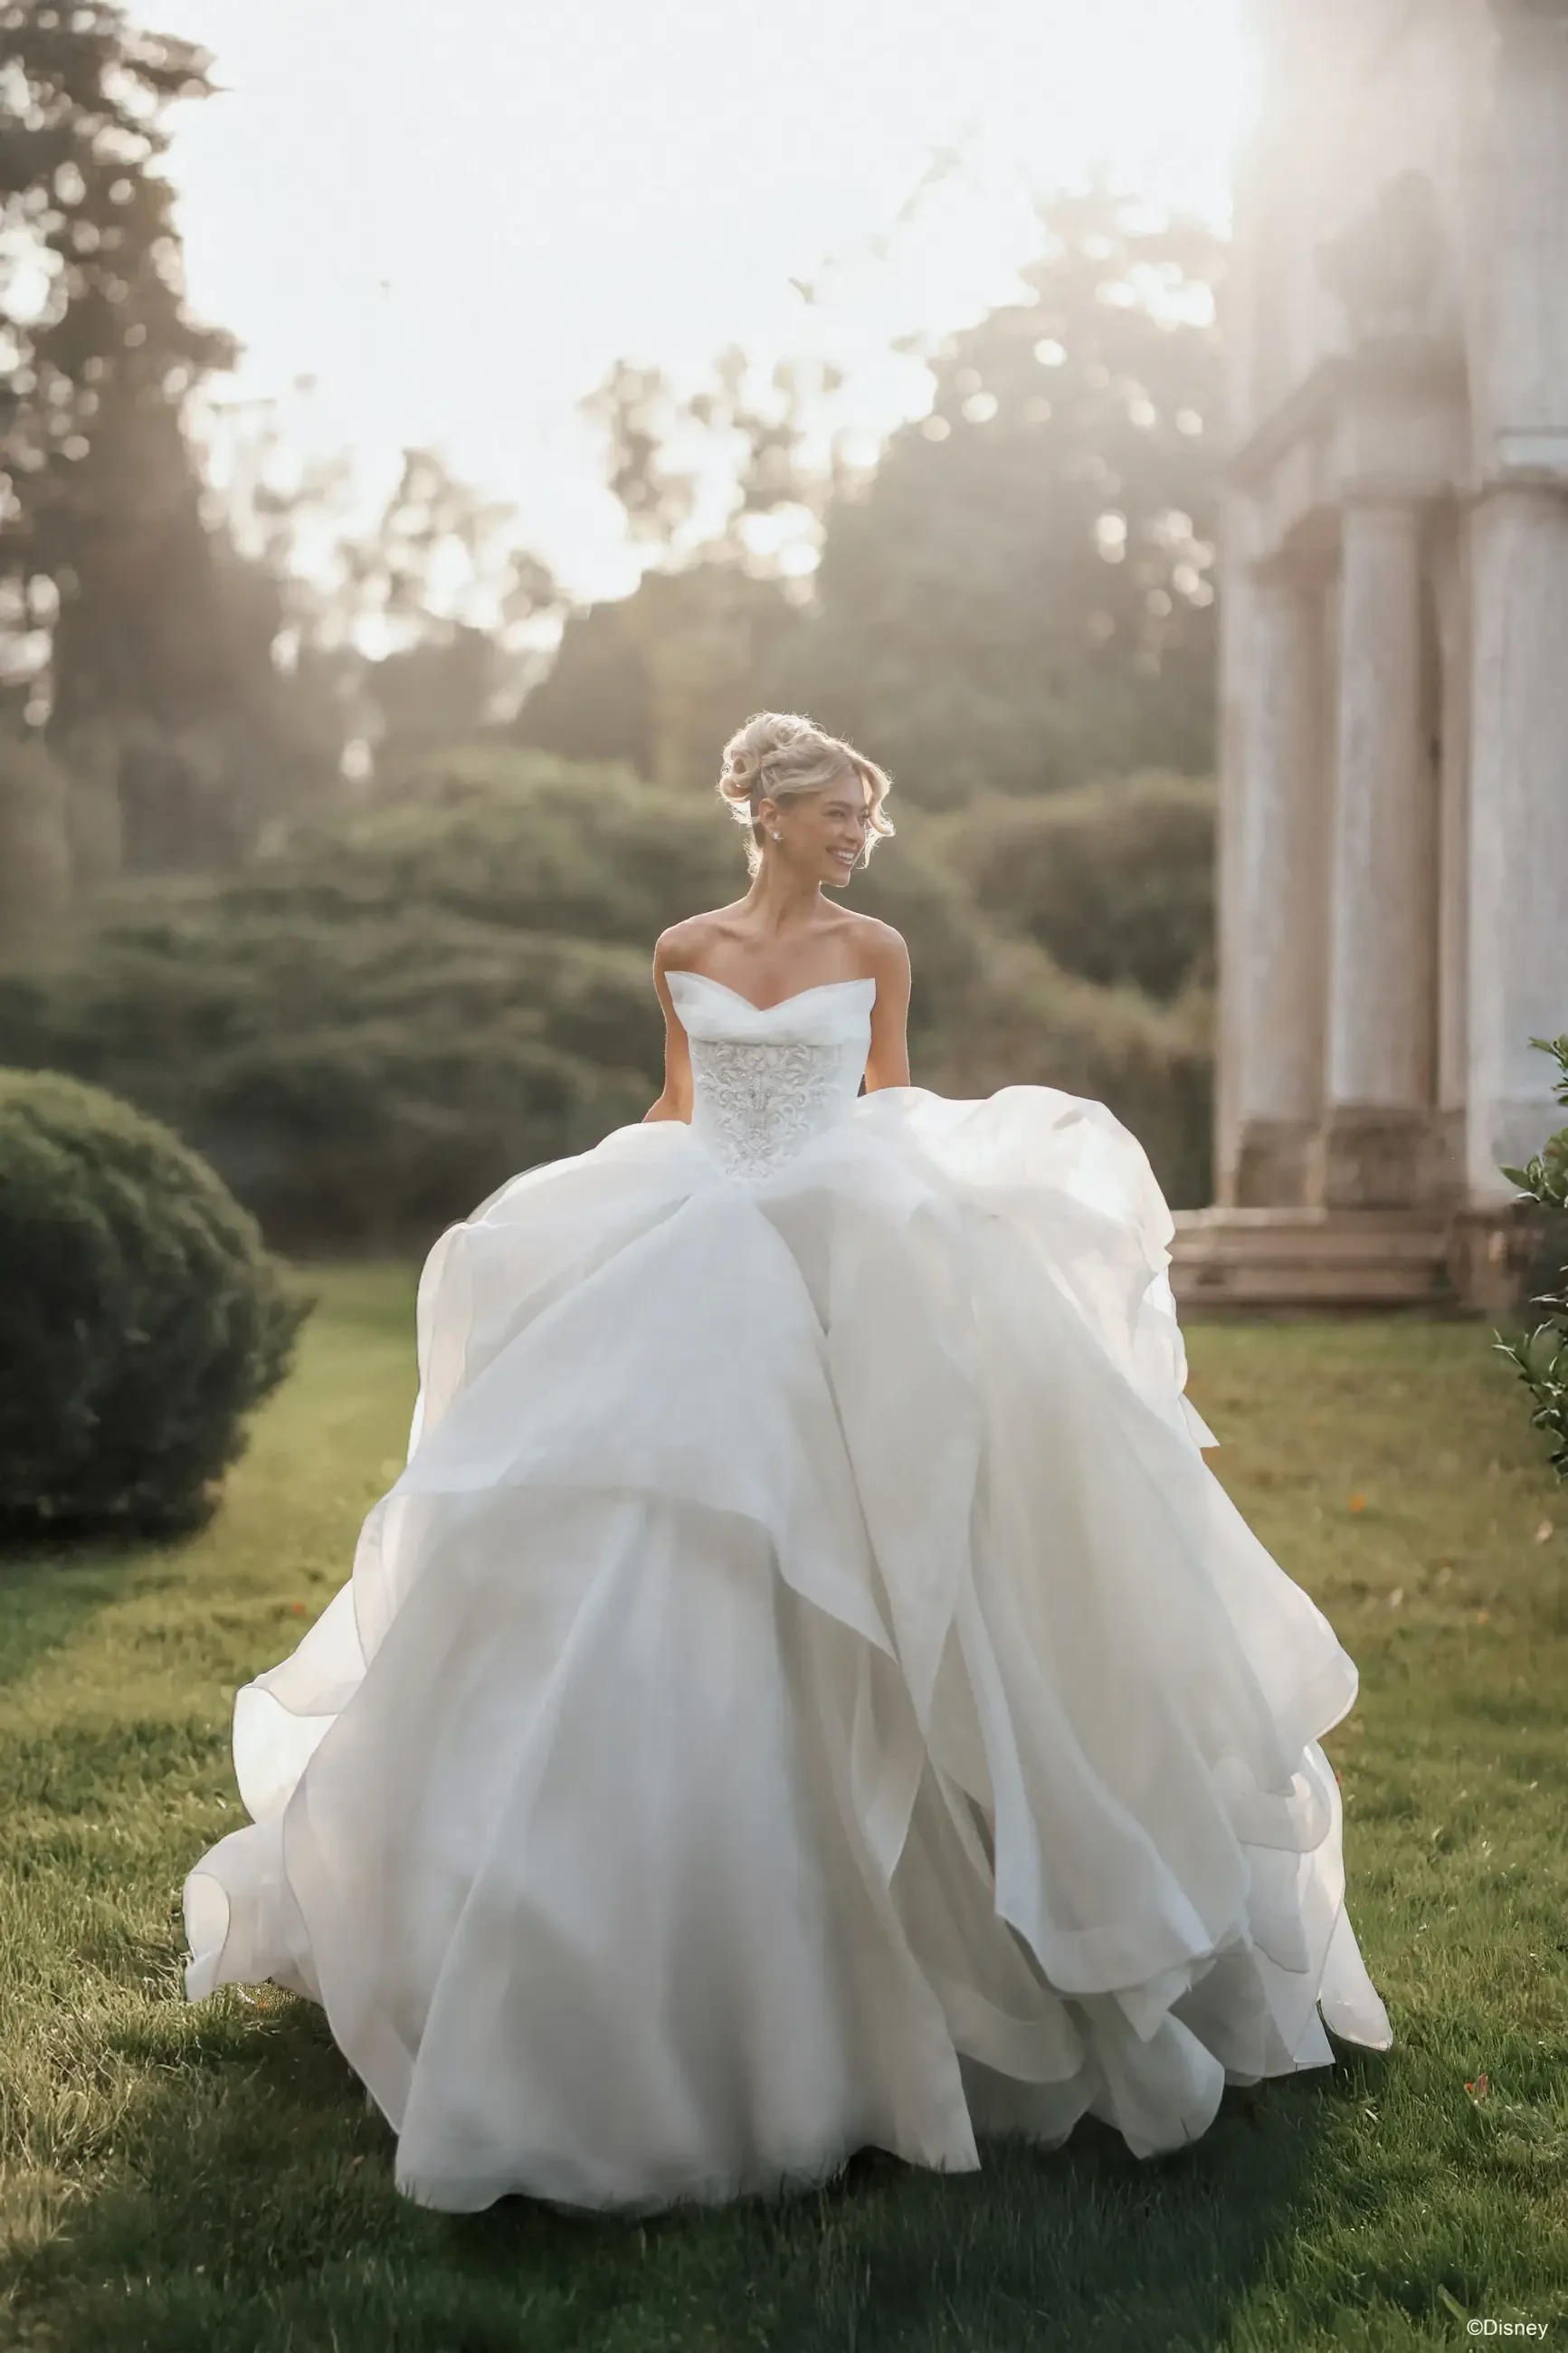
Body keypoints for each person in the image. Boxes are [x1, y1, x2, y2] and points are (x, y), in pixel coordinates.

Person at [182, 709, 1392, 2217]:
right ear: (773, 809)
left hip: (845, 1243)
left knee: (886, 1551)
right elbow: (679, 1105)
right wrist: (585, 1204)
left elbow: (885, 1104)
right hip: (699, 1239)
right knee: (649, 1538)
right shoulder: (680, 945)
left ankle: (935, 1966)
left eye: (864, 824)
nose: (858, 840)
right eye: (840, 817)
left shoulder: (877, 952)